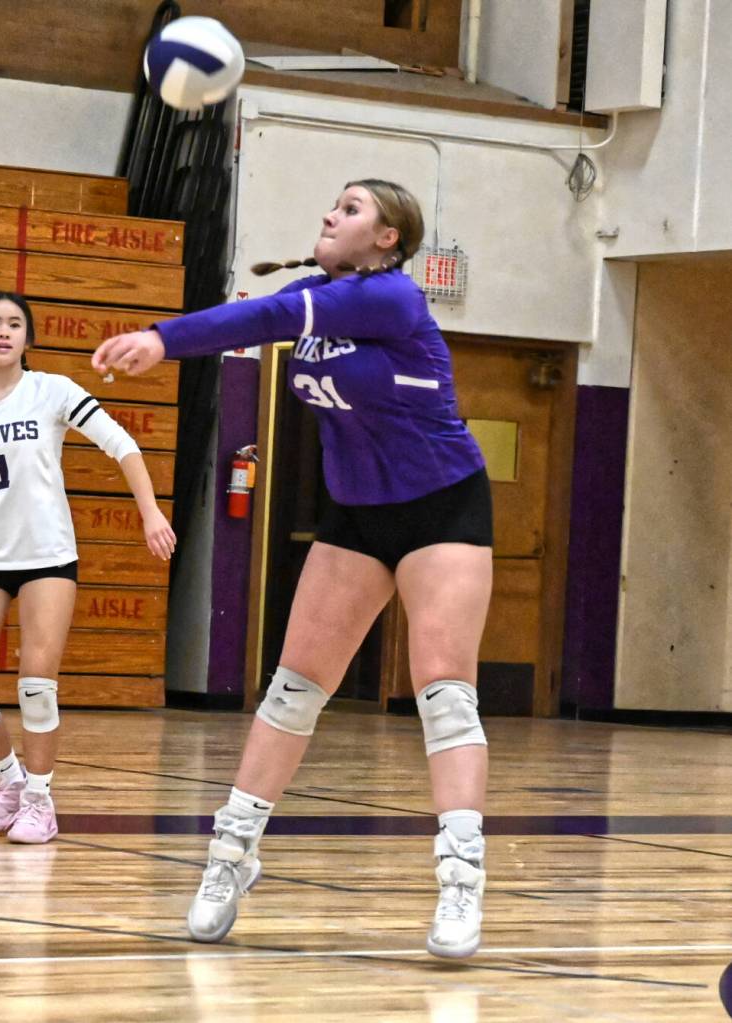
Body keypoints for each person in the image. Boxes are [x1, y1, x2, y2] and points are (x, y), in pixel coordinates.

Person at [92, 179, 493, 959]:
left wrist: (162, 338)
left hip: (443, 503)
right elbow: (269, 312)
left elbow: (265, 316)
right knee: (292, 688)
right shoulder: (320, 295)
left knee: (445, 695)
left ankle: (460, 881)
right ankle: (230, 857)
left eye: (350, 209)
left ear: (387, 239)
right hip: (357, 512)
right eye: (332, 205)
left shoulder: (392, 301)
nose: (328, 215)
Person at [0, 291, 176, 845]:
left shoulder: (52, 390)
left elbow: (122, 446)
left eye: (16, 325)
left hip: (48, 557)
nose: (5, 332)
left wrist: (150, 514)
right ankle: (7, 781)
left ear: (27, 339)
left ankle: (39, 799)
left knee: (36, 685)